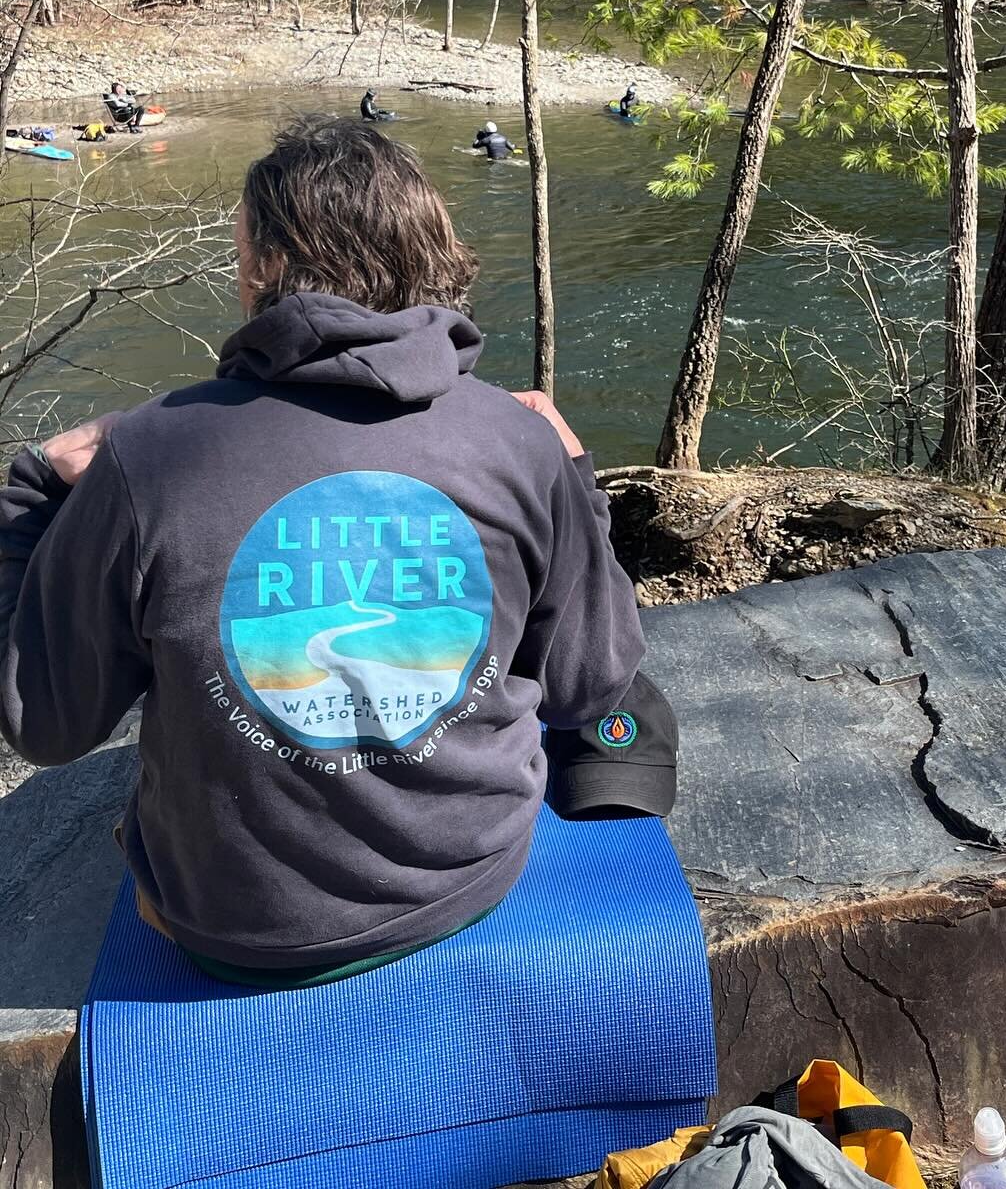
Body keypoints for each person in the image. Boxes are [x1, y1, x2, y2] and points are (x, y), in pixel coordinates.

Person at [0, 114, 643, 986]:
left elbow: (43, 722)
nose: (236, 273)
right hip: (468, 881)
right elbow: (588, 689)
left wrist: (33, 490)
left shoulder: (151, 455)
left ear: (268, 266)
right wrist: (578, 480)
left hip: (225, 926)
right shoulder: (516, 443)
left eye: (240, 253)